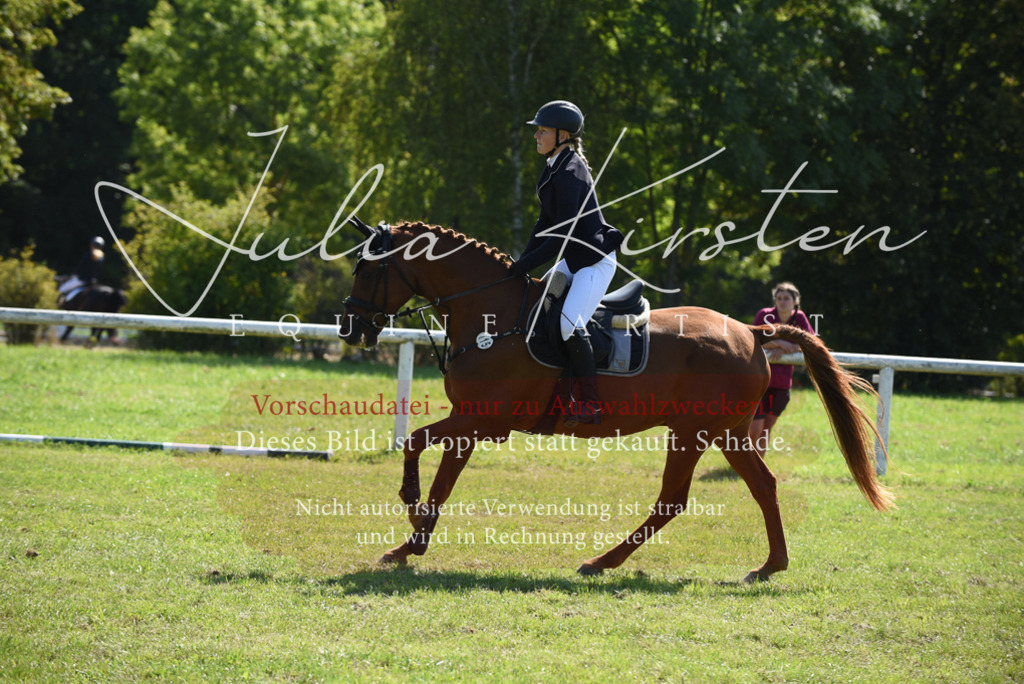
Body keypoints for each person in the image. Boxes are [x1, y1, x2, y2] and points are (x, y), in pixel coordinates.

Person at [511, 100, 623, 424]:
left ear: (562, 135)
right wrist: (521, 263)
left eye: (541, 131)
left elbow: (562, 238)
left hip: (594, 264)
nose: (536, 136)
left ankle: (590, 402)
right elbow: (543, 224)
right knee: (539, 305)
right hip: (573, 262)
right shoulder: (554, 167)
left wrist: (524, 265)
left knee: (566, 323)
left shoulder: (571, 172)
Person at [748, 282, 816, 456]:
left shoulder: (799, 318)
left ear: (795, 301)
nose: (782, 302)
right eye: (779, 298)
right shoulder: (764, 315)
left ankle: (758, 466)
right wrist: (779, 343)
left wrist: (791, 346)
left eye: (786, 298)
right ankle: (745, 463)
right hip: (759, 381)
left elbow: (810, 342)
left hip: (782, 383)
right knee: (755, 428)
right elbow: (751, 339)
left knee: (766, 428)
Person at [58, 236, 106, 305]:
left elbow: (80, 267)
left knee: (63, 288)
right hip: (92, 282)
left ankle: (59, 304)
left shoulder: (88, 255)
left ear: (92, 245)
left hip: (81, 280)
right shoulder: (101, 258)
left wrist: (74, 275)